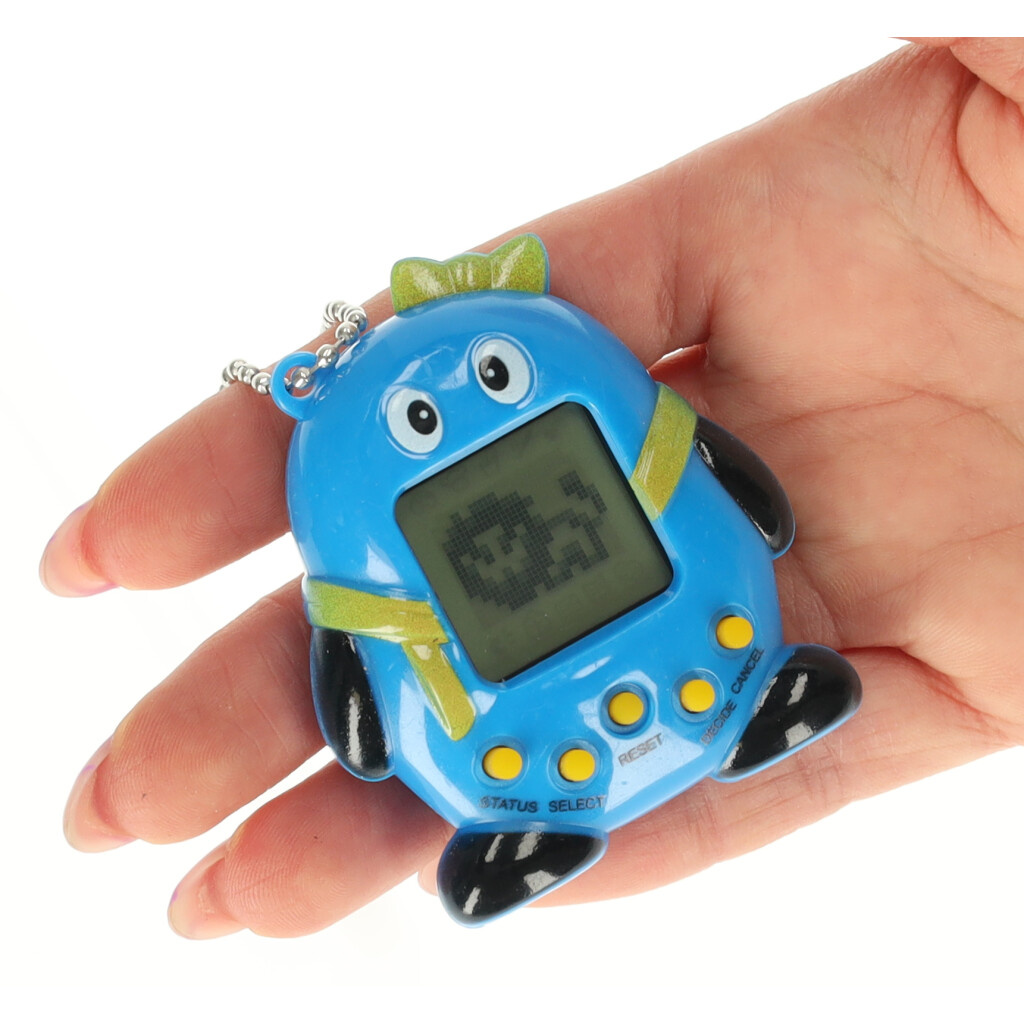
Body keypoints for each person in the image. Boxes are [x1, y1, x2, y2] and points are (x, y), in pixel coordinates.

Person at [40, 37, 1024, 939]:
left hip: (684, 641)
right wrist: (364, 719)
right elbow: (350, 645)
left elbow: (705, 467)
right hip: (527, 726)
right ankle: (536, 826)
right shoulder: (350, 470)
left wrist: (366, 736)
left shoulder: (538, 394)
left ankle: (743, 711)